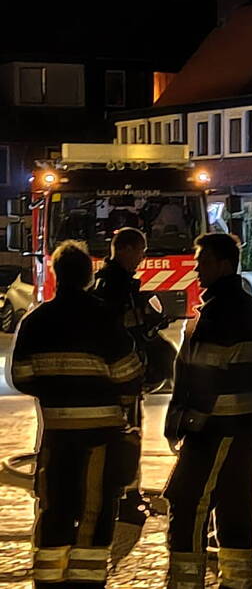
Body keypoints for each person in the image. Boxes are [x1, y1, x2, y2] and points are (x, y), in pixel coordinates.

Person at [10, 240, 142, 587]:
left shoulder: (35, 320)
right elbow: (130, 375)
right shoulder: (105, 318)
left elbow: (21, 377)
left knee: (54, 507)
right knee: (94, 510)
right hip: (102, 435)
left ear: (56, 275)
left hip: (56, 433)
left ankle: (49, 580)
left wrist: (56, 390)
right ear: (88, 276)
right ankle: (86, 582)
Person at [163, 233, 252, 589]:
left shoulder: (220, 314)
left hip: (214, 429)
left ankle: (185, 583)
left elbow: (201, 377)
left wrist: (184, 421)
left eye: (203, 263)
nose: (196, 270)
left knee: (189, 503)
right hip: (241, 429)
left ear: (224, 264)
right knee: (235, 506)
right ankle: (236, 581)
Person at [91, 227, 172, 565]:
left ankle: (128, 493)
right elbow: (118, 332)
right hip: (122, 379)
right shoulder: (114, 286)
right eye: (139, 251)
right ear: (123, 249)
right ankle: (126, 496)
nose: (142, 258)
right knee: (127, 438)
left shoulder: (117, 284)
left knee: (131, 437)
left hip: (128, 377)